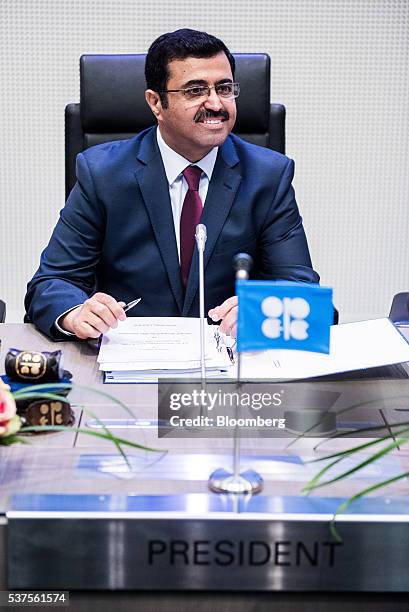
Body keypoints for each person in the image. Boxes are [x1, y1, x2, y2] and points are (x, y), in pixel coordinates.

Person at [25, 28, 320, 341]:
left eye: (224, 88)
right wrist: (75, 313)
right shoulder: (102, 173)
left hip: (230, 361)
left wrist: (261, 310)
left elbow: (299, 287)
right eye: (195, 91)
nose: (217, 104)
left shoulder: (268, 175)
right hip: (127, 357)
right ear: (156, 102)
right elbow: (52, 283)